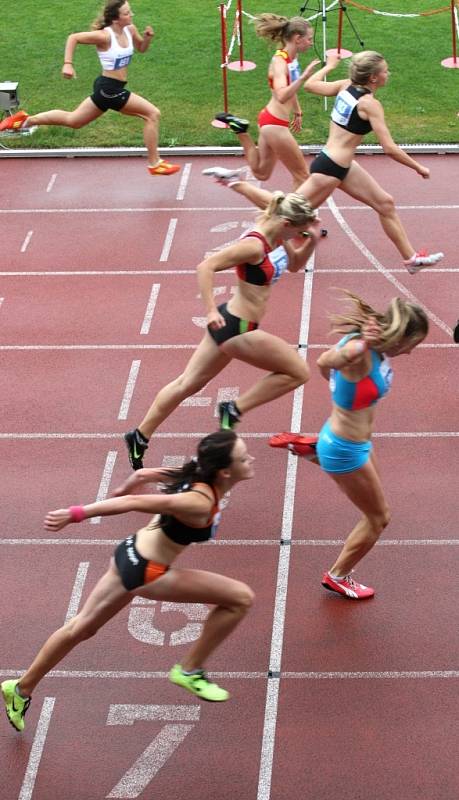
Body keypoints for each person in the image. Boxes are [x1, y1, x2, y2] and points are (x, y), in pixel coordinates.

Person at [1, 431, 256, 732]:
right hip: (149, 572)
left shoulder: (197, 474)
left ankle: (19, 689)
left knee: (81, 627)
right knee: (240, 598)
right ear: (225, 471)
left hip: (128, 553)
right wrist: (77, 513)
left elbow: (145, 474)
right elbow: (135, 502)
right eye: (243, 457)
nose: (250, 459)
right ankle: (190, 670)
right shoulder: (197, 502)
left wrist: (126, 484)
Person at [124, 191, 321, 470]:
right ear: (287, 222)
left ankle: (139, 436)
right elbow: (207, 266)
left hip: (232, 323)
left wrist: (311, 239)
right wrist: (209, 309)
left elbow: (296, 265)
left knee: (187, 384)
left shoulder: (277, 235)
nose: (297, 237)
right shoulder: (254, 245)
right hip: (237, 328)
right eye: (298, 231)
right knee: (298, 372)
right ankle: (234, 408)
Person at [209, 51, 444, 274]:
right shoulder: (370, 105)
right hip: (329, 169)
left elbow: (310, 85)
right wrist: (418, 167)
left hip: (342, 166)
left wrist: (329, 67)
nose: (388, 74)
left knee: (385, 203)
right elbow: (389, 148)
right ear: (373, 77)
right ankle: (236, 182)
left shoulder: (345, 86)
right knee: (286, 211)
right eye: (385, 71)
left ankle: (411, 259)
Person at [269, 292, 428, 599]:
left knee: (375, 497)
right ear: (400, 336)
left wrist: (337, 384)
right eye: (413, 344)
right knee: (378, 518)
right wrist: (347, 363)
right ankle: (338, 576)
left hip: (350, 441)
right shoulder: (358, 349)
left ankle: (316, 450)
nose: (411, 352)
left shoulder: (374, 349)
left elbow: (331, 368)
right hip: (346, 448)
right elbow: (324, 361)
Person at [0, 1, 179, 176]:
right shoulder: (104, 36)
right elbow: (74, 38)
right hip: (109, 89)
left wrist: (147, 38)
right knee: (152, 114)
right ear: (116, 19)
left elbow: (141, 48)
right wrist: (68, 64)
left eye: (130, 11)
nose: (131, 15)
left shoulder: (130, 29)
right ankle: (154, 163)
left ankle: (24, 121)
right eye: (126, 13)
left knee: (74, 120)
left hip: (108, 89)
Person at [213, 14, 319, 189]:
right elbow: (282, 95)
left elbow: (290, 88)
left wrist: (297, 111)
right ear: (297, 38)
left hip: (269, 119)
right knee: (302, 176)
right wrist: (304, 78)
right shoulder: (280, 62)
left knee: (261, 173)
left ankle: (240, 130)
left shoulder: (292, 59)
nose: (311, 42)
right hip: (275, 125)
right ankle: (293, 216)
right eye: (309, 39)